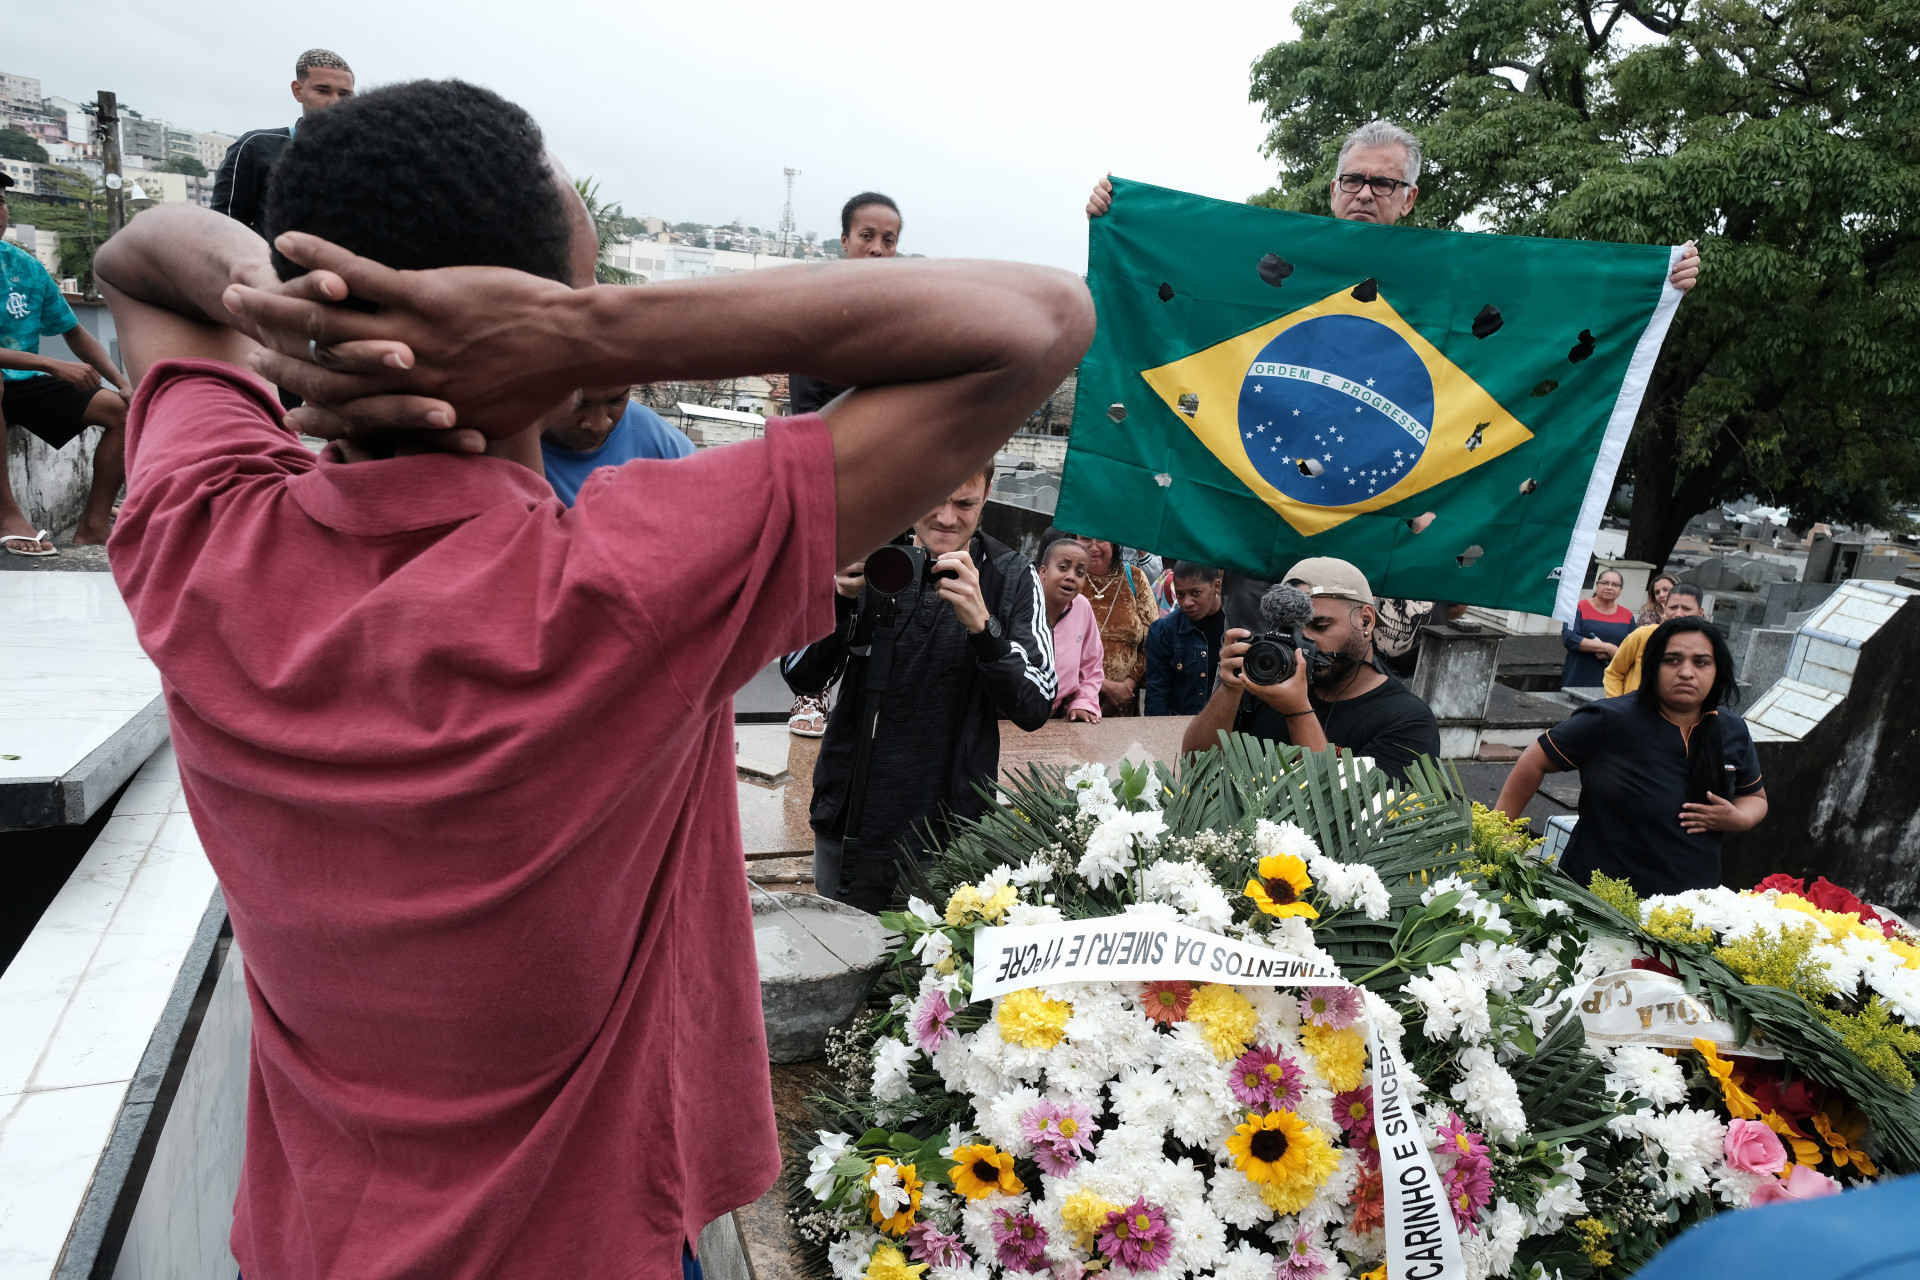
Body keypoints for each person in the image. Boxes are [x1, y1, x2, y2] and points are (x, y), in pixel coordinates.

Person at [94, 77, 1092, 1280]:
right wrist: (592, 332)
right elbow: (1041, 319)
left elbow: (140, 262)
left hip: (311, 1243)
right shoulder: (624, 583)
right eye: (589, 281)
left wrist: (299, 308)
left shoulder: (203, 534)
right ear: (538, 320)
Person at [781, 465, 1056, 913]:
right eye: (935, 498)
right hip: (848, 822)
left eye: (965, 503)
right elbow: (800, 673)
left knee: (930, 979)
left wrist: (984, 631)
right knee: (842, 964)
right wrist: (837, 600)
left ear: (988, 493)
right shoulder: (868, 552)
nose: (947, 518)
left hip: (951, 837)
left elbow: (1035, 705)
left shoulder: (1012, 575)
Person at [1086, 117, 1702, 280]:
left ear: (1408, 199)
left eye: (1383, 183)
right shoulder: (1269, 263)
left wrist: (1656, 280)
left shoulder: (1450, 274)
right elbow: (1189, 267)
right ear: (1333, 190)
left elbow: (1554, 289)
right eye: (1353, 179)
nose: (1364, 193)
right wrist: (1121, 218)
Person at [1495, 618, 1766, 895]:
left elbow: (1755, 797)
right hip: (1597, 899)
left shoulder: (1731, 730)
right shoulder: (1611, 720)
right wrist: (1499, 832)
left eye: (1701, 662)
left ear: (1717, 669)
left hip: (1691, 904)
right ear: (1652, 666)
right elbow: (1534, 759)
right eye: (1672, 660)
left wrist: (1738, 818)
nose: (1686, 672)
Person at [787, 197, 905, 736]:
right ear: (844, 241)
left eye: (889, 239)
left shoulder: (907, 321)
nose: (879, 249)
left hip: (895, 488)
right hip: (830, 488)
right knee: (825, 592)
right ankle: (809, 692)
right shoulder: (816, 315)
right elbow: (811, 420)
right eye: (867, 237)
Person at [1179, 558, 1442, 784]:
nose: (1302, 643)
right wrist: (1230, 688)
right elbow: (1196, 767)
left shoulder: (1409, 721)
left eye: (1320, 625)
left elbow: (1354, 816)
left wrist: (1297, 711)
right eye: (1289, 629)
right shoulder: (1265, 685)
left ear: (1366, 620)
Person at [0, 173, 132, 554]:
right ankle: (8, 513)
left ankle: (92, 525)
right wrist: (51, 365)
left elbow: (73, 331)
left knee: (124, 410)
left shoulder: (23, 266)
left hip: (22, 382)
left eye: (1, 201)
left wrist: (120, 381)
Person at [212, 48, 355, 238]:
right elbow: (223, 227)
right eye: (323, 90)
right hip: (267, 265)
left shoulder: (367, 156)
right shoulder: (255, 147)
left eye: (344, 94)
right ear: (298, 91)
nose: (335, 102)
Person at [539, 384, 693, 506]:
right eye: (578, 404)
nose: (598, 425)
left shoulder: (671, 449)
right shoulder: (516, 449)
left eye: (616, 400)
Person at [1077, 534, 1158, 716]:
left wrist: (1126, 687)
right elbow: (1055, 645)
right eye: (1085, 539)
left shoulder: (1135, 578)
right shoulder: (1069, 580)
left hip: (1124, 705)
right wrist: (1103, 686)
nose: (1094, 547)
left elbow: (1153, 642)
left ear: (1113, 543)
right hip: (1074, 704)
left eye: (1101, 539)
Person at [1145, 561, 1226, 716]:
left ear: (1217, 586)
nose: (1186, 602)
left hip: (1232, 729)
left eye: (1195, 593)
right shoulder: (1164, 631)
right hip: (1182, 729)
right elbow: (1157, 694)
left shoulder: (1238, 626)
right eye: (1180, 594)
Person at [1038, 535, 1103, 722]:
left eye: (1080, 573)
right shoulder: (1020, 602)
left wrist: (1083, 703)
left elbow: (1092, 665)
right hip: (1005, 715)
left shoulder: (1083, 608)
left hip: (1056, 716)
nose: (1071, 577)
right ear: (1043, 571)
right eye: (1063, 568)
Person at [1604, 582, 1706, 696]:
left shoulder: (1705, 644)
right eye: (1673, 607)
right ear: (1665, 609)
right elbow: (1613, 673)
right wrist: (1618, 706)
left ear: (1699, 613)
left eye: (1686, 609)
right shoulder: (1643, 635)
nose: (1678, 614)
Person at [1561, 567, 1637, 689]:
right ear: (1597, 585)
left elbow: (1633, 650)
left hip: (1613, 681)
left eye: (1615, 584)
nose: (1609, 587)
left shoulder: (1627, 616)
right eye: (1605, 583)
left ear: (1621, 589)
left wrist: (1615, 655)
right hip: (1578, 676)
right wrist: (1608, 648)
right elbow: (1570, 638)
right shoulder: (1578, 608)